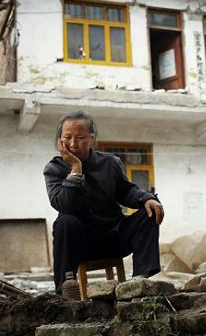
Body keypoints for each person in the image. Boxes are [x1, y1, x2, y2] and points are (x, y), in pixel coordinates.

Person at [43, 110, 164, 292]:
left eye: (80, 137)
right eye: (67, 137)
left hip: (114, 238)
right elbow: (64, 205)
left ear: (92, 139)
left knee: (149, 212)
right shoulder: (54, 168)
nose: (73, 144)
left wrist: (146, 198)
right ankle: (66, 286)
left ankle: (140, 281)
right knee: (65, 221)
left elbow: (126, 191)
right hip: (81, 244)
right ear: (60, 140)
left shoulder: (110, 163)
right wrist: (76, 169)